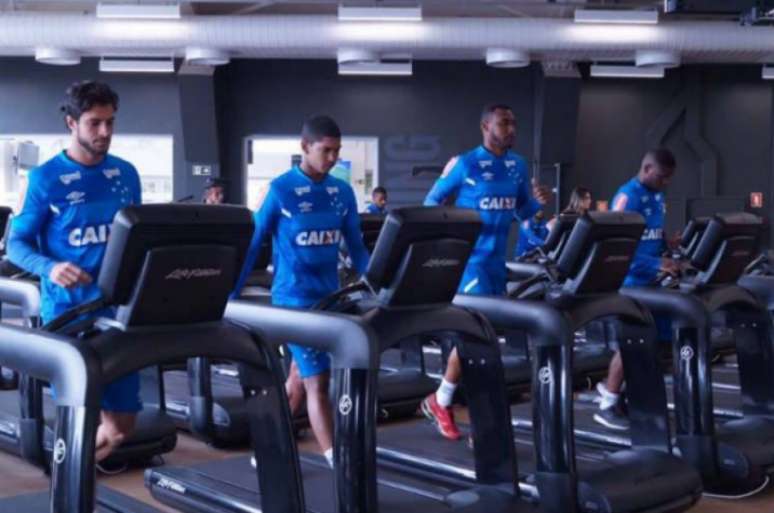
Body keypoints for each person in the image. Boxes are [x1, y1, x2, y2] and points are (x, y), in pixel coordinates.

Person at [7, 81, 143, 464]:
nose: (105, 132)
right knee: (81, 420)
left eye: (110, 123)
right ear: (71, 123)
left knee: (121, 429)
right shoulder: (45, 179)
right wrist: (50, 267)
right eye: (95, 123)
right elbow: (15, 245)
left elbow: (137, 235)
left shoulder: (126, 174)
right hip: (69, 316)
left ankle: (68, 480)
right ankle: (69, 491)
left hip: (116, 316)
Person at [232, 115, 369, 467]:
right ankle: (340, 465)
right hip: (293, 301)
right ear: (305, 147)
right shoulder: (281, 190)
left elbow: (356, 246)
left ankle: (266, 447)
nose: (333, 158)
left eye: (337, 151)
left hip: (329, 298)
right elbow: (253, 243)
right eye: (326, 150)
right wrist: (231, 292)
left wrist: (376, 283)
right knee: (317, 383)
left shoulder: (342, 191)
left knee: (297, 377)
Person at [421, 103, 551, 440]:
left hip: (497, 262)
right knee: (476, 331)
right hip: (470, 262)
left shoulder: (517, 166)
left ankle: (460, 402)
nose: (512, 129)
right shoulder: (465, 164)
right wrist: (449, 238)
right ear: (485, 126)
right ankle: (442, 399)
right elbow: (431, 203)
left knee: (488, 333)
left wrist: (538, 206)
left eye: (514, 123)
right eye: (504, 123)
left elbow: (523, 211)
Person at [593, 148, 681, 431]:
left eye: (669, 178)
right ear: (646, 169)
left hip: (653, 281)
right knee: (632, 342)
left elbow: (651, 235)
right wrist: (656, 261)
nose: (665, 183)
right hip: (631, 282)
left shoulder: (657, 195)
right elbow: (616, 244)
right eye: (662, 177)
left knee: (655, 343)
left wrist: (669, 247)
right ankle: (607, 403)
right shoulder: (627, 196)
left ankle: (635, 399)